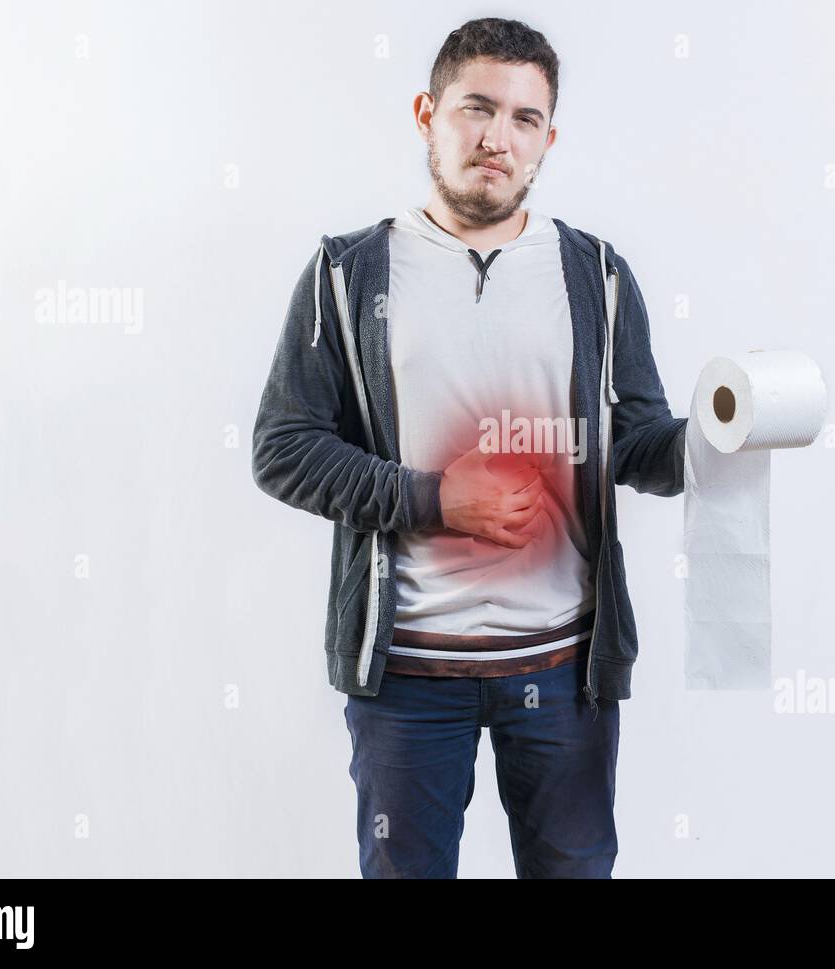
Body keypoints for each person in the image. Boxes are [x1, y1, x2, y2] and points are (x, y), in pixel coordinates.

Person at [251, 17, 686, 877]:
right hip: (409, 678)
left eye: (525, 119)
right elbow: (283, 446)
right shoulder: (347, 274)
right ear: (427, 113)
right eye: (476, 109)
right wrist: (435, 498)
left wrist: (717, 442)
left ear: (548, 138)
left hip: (565, 674)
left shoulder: (596, 274)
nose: (497, 138)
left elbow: (635, 442)